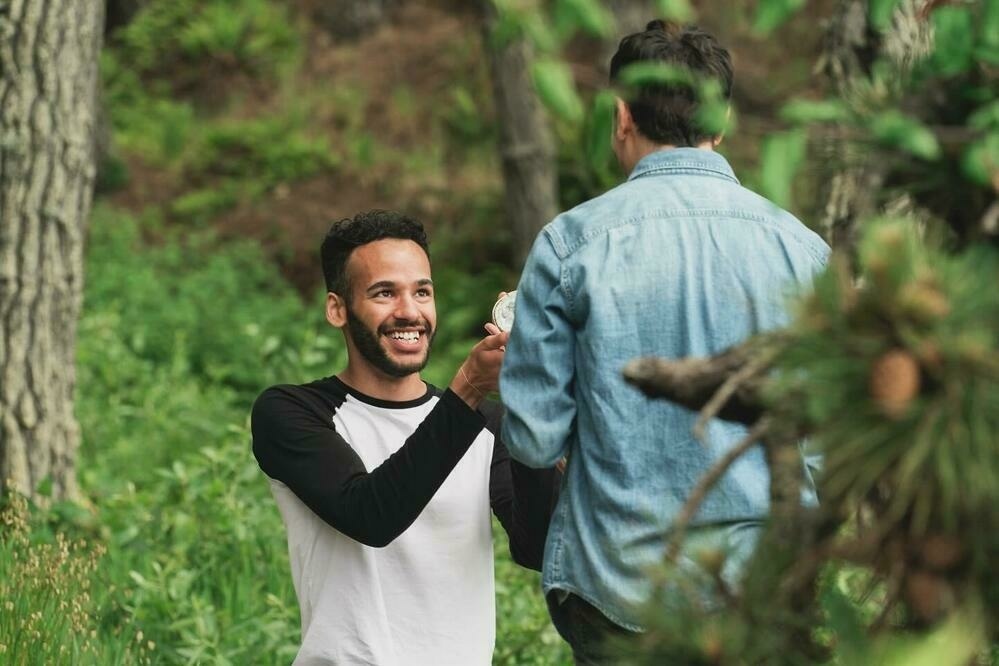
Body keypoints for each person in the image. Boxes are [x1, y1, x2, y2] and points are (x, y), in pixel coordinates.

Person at [498, 20, 830, 664]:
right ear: (722, 121)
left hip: (619, 593)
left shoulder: (570, 245)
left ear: (621, 116)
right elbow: (826, 442)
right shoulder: (803, 251)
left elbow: (534, 438)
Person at [251, 210, 558, 666]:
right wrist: (470, 386)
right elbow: (371, 514)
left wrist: (531, 405)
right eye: (384, 293)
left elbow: (537, 549)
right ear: (337, 309)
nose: (409, 311)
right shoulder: (292, 412)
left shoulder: (484, 424)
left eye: (422, 292)